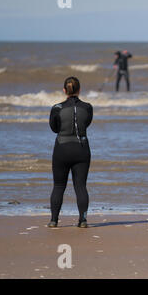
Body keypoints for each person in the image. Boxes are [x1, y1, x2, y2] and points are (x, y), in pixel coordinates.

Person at [48, 77, 93, 228]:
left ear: (64, 90)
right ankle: (83, 220)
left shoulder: (56, 108)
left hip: (62, 149)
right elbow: (86, 123)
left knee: (59, 186)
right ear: (79, 90)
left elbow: (54, 128)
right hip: (81, 149)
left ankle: (54, 221)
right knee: (80, 186)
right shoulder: (87, 107)